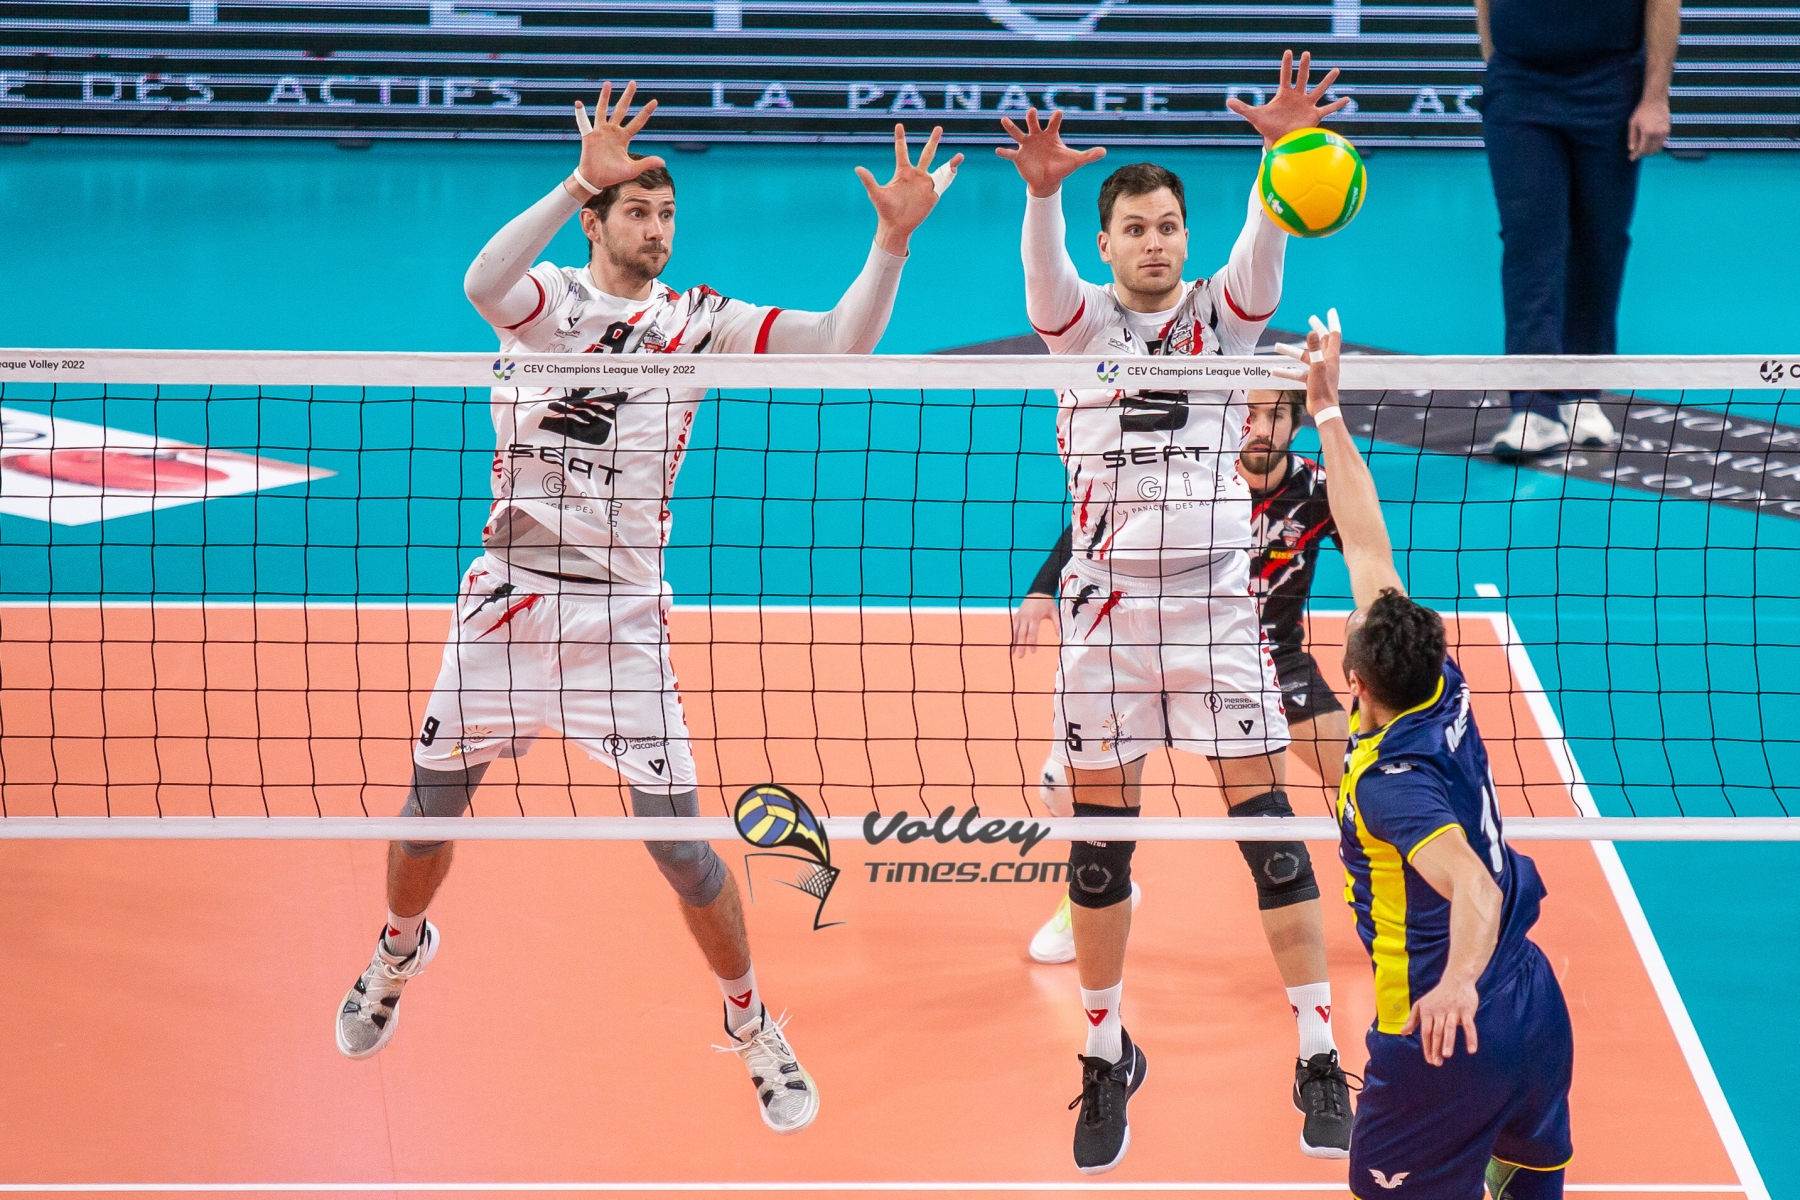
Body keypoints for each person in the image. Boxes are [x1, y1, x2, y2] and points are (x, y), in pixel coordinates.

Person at [332, 82, 961, 1137]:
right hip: (507, 607)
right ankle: (398, 952)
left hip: (622, 622)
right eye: (636, 211)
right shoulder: (546, 304)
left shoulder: (697, 322)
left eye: (667, 214)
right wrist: (576, 175)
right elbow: (480, 281)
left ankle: (750, 1020)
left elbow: (841, 343)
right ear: (595, 222)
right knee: (427, 811)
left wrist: (891, 245)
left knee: (682, 849)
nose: (658, 229)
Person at [997, 52, 1355, 1173]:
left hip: (1216, 618)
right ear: (1107, 245)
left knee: (1272, 843)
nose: (1155, 243)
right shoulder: (1076, 330)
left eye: (1168, 227)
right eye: (1134, 230)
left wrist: (1281, 154)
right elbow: (1044, 273)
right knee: (1101, 853)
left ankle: (1318, 1052)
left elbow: (1265, 246)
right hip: (1105, 624)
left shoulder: (1226, 324)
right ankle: (1106, 1053)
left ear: (1186, 238)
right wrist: (1044, 195)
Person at [1275, 311, 1574, 1199]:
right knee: (1528, 1179)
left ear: (1354, 682)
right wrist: (1327, 411)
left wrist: (1456, 988)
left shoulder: (1389, 787)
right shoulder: (1439, 683)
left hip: (1446, 1029)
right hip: (1533, 998)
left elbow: (1474, 886)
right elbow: (1367, 542)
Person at [1015, 387, 1350, 959]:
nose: (1260, 428)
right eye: (1251, 412)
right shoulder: (1191, 473)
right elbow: (1097, 522)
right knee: (1062, 786)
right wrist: (1043, 588)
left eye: (1276, 415)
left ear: (1296, 425)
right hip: (1157, 639)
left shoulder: (1315, 491)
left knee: (1360, 778)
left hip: (1270, 655)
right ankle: (1093, 892)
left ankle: (1402, 888)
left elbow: (1366, 547)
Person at [1478, 0, 1679, 459]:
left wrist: (1654, 98)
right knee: (1530, 243)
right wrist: (1500, 68)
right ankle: (1533, 408)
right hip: (1519, 88)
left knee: (1601, 245)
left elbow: (1663, 5)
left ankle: (1582, 395)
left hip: (1610, 87)